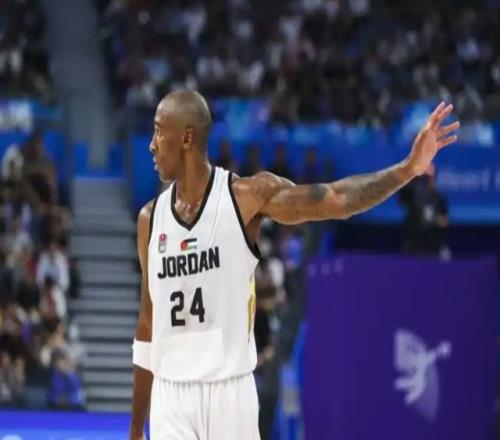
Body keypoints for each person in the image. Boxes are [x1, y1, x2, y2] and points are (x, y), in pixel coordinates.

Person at [129, 91, 459, 440]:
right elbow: (147, 325)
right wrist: (136, 428)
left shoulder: (245, 197)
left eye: (158, 131)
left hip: (229, 394)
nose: (151, 144)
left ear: (187, 138)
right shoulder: (150, 219)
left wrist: (407, 169)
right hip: (171, 395)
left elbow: (338, 199)